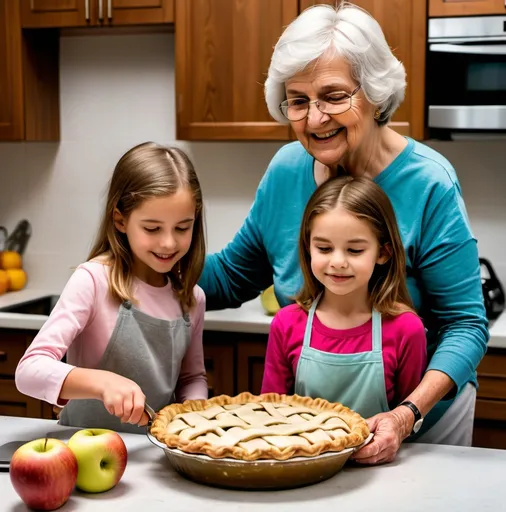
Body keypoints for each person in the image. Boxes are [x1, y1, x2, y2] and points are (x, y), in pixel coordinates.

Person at [199, 3, 489, 463]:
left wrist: (406, 414)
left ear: (374, 93)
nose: (315, 119)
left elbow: (466, 325)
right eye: (298, 100)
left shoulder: (429, 182)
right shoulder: (286, 169)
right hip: (312, 437)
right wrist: (149, 256)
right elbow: (232, 277)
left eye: (334, 96)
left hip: (420, 427)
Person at [15, 142, 208, 433]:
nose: (169, 242)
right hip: (81, 451)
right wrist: (103, 383)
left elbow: (191, 378)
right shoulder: (93, 281)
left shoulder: (191, 298)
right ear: (120, 219)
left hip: (155, 455)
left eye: (182, 228)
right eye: (152, 228)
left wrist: (194, 415)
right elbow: (29, 371)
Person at [261, 176, 427, 420]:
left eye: (355, 250)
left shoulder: (406, 329)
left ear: (383, 252)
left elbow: (405, 422)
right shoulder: (286, 324)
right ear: (308, 247)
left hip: (382, 458)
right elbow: (270, 414)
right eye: (324, 248)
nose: (338, 262)